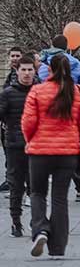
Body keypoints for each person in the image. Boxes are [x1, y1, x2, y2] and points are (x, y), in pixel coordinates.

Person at [21, 52, 80, 258]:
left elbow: (28, 122)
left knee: (37, 193)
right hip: (67, 152)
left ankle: (41, 230)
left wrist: (31, 140)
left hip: (40, 152)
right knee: (60, 198)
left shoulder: (37, 90)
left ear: (49, 70)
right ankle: (58, 247)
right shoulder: (77, 91)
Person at [37, 36, 80, 202]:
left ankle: (44, 187)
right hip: (70, 111)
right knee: (70, 150)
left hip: (49, 113)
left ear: (51, 45)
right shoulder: (75, 63)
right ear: (67, 46)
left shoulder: (42, 64)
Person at [0, 55, 35, 236]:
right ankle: (16, 222)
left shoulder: (39, 91)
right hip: (14, 145)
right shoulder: (8, 93)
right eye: (24, 70)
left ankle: (36, 219)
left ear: (34, 71)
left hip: (36, 145)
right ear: (18, 71)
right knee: (16, 185)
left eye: (30, 69)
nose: (27, 73)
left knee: (35, 185)